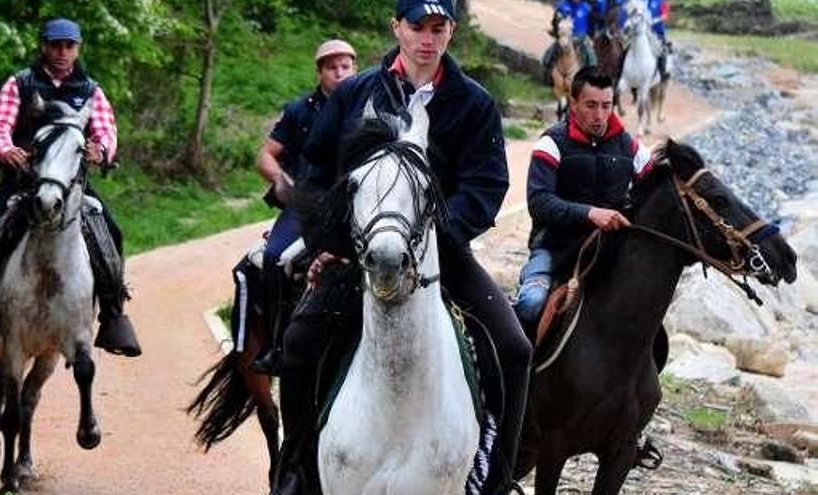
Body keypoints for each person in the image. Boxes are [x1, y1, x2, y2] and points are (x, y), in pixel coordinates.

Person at [272, 1, 533, 494]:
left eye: (438, 28)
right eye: (417, 26)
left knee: (515, 349)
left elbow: (485, 185)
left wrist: (435, 236)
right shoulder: (354, 93)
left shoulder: (474, 103)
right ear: (397, 27)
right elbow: (315, 172)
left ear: (451, 31)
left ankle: (497, 477)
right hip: (360, 251)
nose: (426, 39)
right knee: (300, 341)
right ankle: (296, 466)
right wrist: (337, 241)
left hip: (442, 252)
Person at [0, 18, 141, 357]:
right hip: (22, 179)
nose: (62, 52)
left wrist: (100, 150)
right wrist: (6, 149)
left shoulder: (90, 90)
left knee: (111, 232)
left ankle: (113, 316)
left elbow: (105, 131)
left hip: (70, 184)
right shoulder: (20, 83)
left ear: (78, 48)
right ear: (43, 46)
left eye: (69, 46)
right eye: (56, 45)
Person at [514, 66, 655, 332]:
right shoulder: (551, 143)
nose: (600, 116)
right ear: (574, 103)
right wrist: (590, 213)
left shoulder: (630, 146)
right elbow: (539, 202)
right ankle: (513, 369)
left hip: (609, 250)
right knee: (531, 304)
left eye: (606, 106)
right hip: (554, 250)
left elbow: (657, 182)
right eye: (591, 105)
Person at [250, 39, 358, 375]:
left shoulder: (368, 103)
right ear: (319, 72)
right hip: (307, 201)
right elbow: (265, 155)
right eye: (331, 68)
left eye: (345, 67)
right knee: (273, 257)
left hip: (355, 200)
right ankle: (275, 343)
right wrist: (284, 181)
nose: (339, 74)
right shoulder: (299, 110)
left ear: (354, 67)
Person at [544, 0, 598, 74]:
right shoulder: (562, 6)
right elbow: (554, 22)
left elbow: (591, 26)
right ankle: (547, 69)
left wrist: (591, 36)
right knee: (550, 52)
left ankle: (591, 73)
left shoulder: (587, 8)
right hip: (566, 36)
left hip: (581, 37)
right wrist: (557, 31)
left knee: (591, 55)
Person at [647, 0, 672, 79]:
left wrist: (655, 20)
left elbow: (665, 16)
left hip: (658, 31)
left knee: (662, 50)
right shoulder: (647, 1)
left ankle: (663, 71)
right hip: (646, 30)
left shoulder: (663, 2)